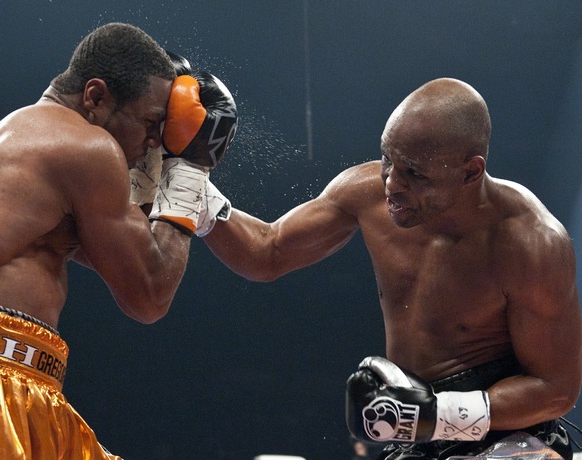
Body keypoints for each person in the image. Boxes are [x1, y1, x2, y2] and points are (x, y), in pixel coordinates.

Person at [200, 78, 581, 459]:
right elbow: (266, 252)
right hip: (417, 437)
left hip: (508, 436)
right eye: (387, 159)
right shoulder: (366, 191)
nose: (391, 184)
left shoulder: (530, 242)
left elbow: (557, 390)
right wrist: (191, 184)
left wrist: (437, 414)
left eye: (414, 173)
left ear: (470, 172)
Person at [0, 23, 237, 459]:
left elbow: (122, 254)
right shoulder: (87, 148)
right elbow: (149, 293)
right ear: (95, 97)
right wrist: (191, 168)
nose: (154, 141)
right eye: (151, 123)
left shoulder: (15, 135)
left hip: (2, 371)